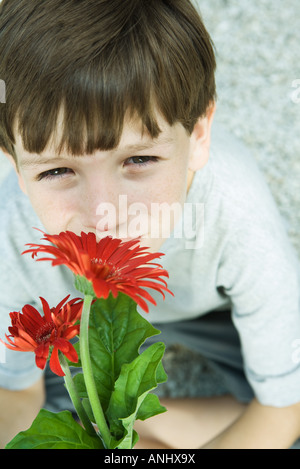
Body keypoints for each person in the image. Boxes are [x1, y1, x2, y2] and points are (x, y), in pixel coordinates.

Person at [0, 0, 300, 449]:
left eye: (139, 159)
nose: (104, 214)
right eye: (57, 172)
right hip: (75, 323)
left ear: (199, 137)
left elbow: (285, 405)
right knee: (62, 414)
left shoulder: (236, 216)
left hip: (211, 317)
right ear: (16, 169)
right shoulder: (13, 228)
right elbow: (14, 392)